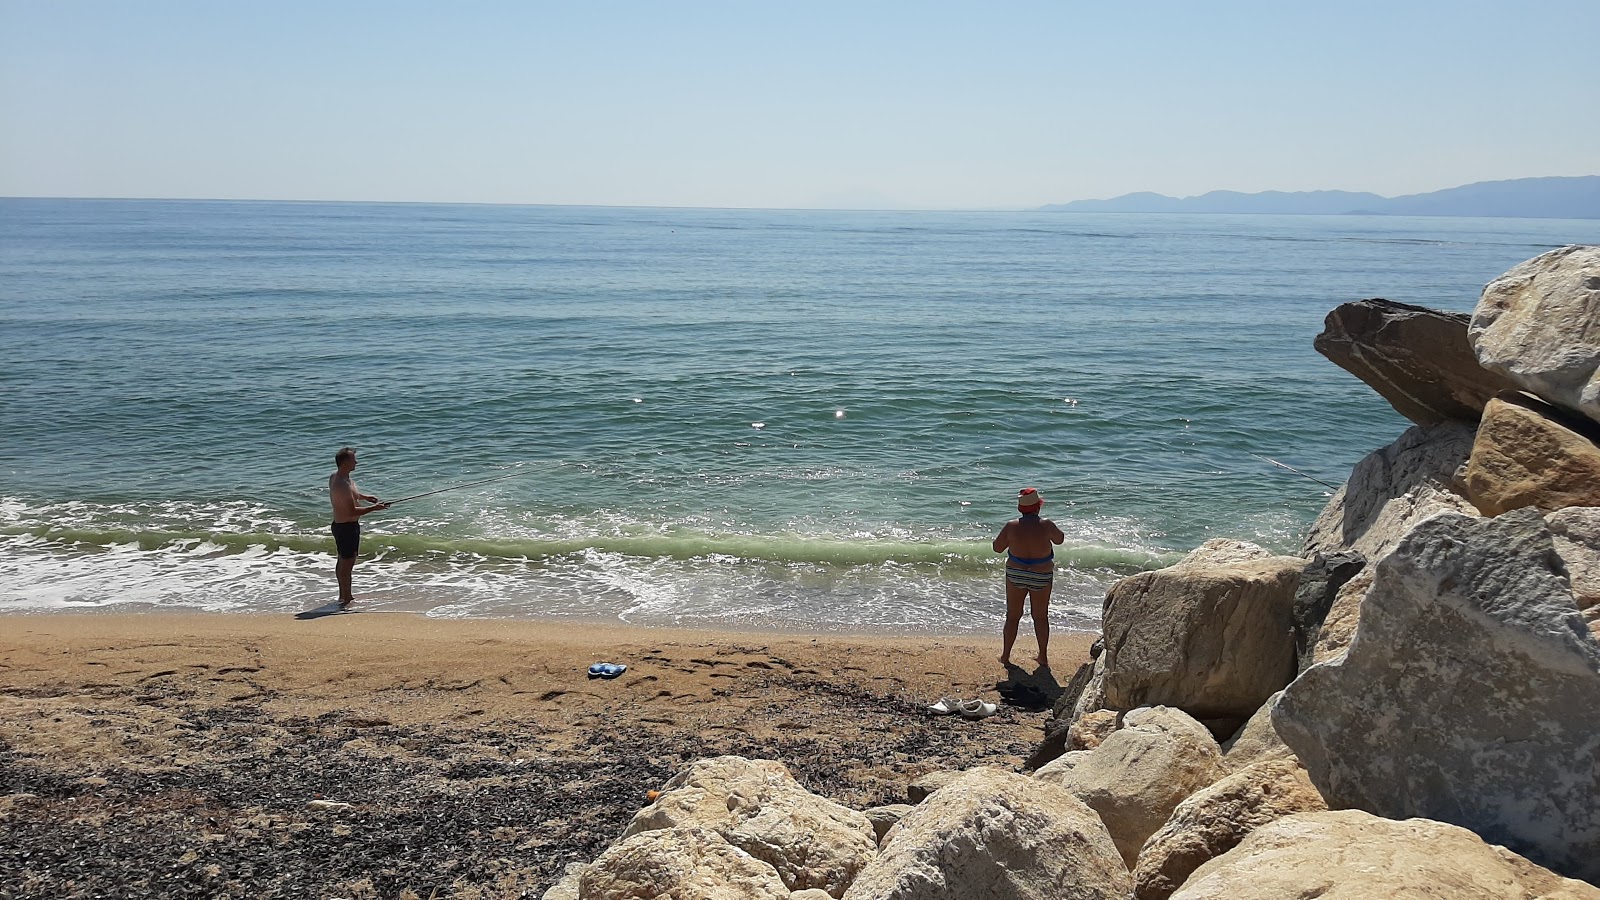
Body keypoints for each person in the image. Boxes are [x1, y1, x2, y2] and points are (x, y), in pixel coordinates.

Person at [993, 487, 1064, 669]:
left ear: (1020, 509)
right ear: (1038, 507)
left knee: (1013, 616)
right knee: (1040, 617)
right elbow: (1060, 539)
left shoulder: (1012, 526)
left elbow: (997, 548)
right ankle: (1042, 656)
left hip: (1016, 573)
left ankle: (1006, 655)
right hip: (1041, 574)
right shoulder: (1046, 524)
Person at [328, 447, 389, 609]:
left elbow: (352, 494)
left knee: (343, 561)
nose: (356, 462)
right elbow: (351, 511)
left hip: (344, 526)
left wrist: (364, 497)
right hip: (346, 527)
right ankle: (346, 598)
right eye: (353, 459)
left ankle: (343, 595)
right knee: (347, 563)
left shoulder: (339, 477)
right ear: (345, 462)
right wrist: (375, 508)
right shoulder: (341, 484)